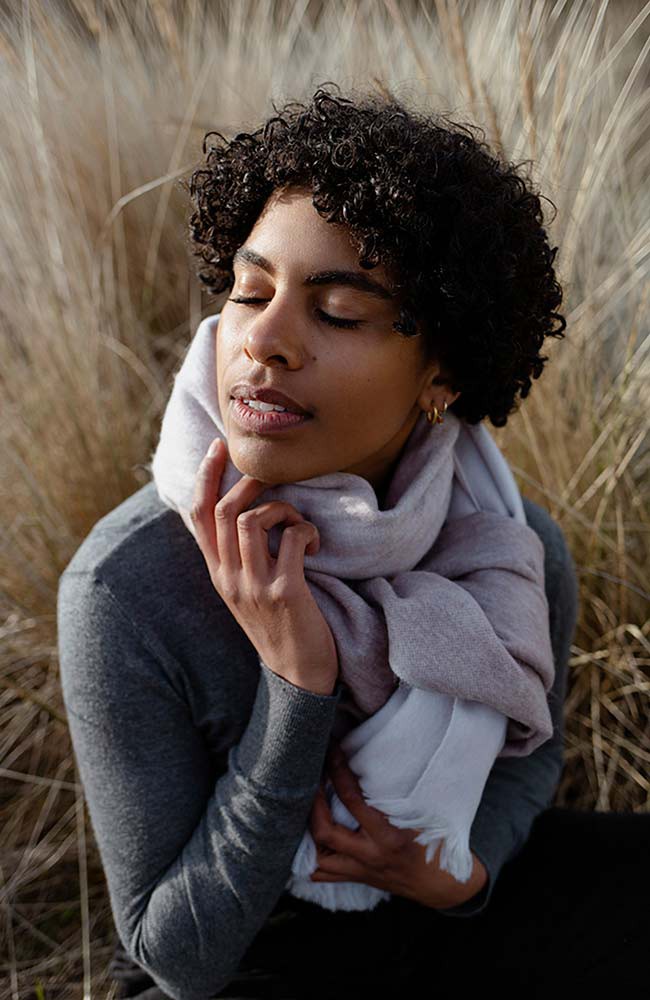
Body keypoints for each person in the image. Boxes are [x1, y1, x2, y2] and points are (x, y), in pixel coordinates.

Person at [56, 85, 647, 1000]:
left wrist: (462, 875)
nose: (266, 343)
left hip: (443, 917)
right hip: (255, 958)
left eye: (335, 312)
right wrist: (298, 686)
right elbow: (174, 954)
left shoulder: (509, 550)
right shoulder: (127, 589)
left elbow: (532, 767)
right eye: (252, 293)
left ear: (442, 370)